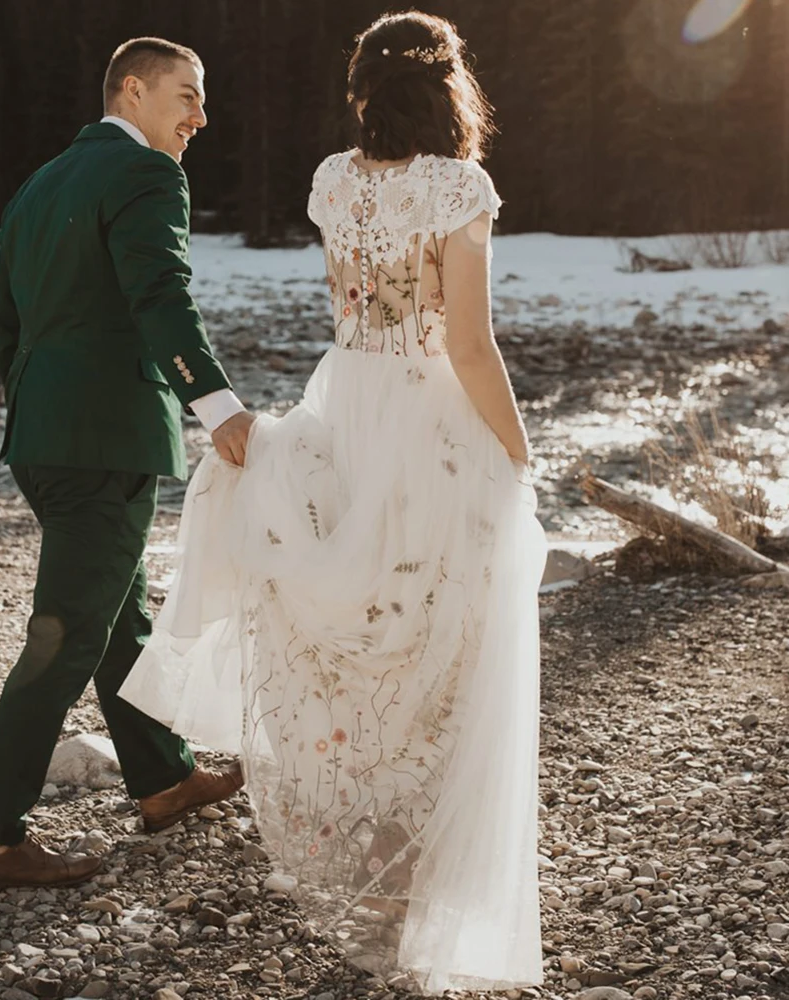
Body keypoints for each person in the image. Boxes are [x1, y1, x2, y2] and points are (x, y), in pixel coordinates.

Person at [119, 11, 546, 993]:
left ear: (363, 88)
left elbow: (359, 312)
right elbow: (468, 347)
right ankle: (430, 859)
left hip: (342, 401)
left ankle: (384, 854)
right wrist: (517, 450)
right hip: (427, 420)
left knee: (360, 633)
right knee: (440, 637)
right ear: (448, 88)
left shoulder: (333, 180)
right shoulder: (456, 187)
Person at [0, 37, 254, 893]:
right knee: (67, 634)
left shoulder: (43, 181)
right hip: (104, 439)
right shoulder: (148, 176)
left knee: (118, 616)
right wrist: (218, 405)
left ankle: (163, 779)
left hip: (43, 437)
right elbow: (161, 293)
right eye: (187, 96)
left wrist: (45, 400)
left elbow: (1, 321)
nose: (201, 117)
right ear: (132, 90)